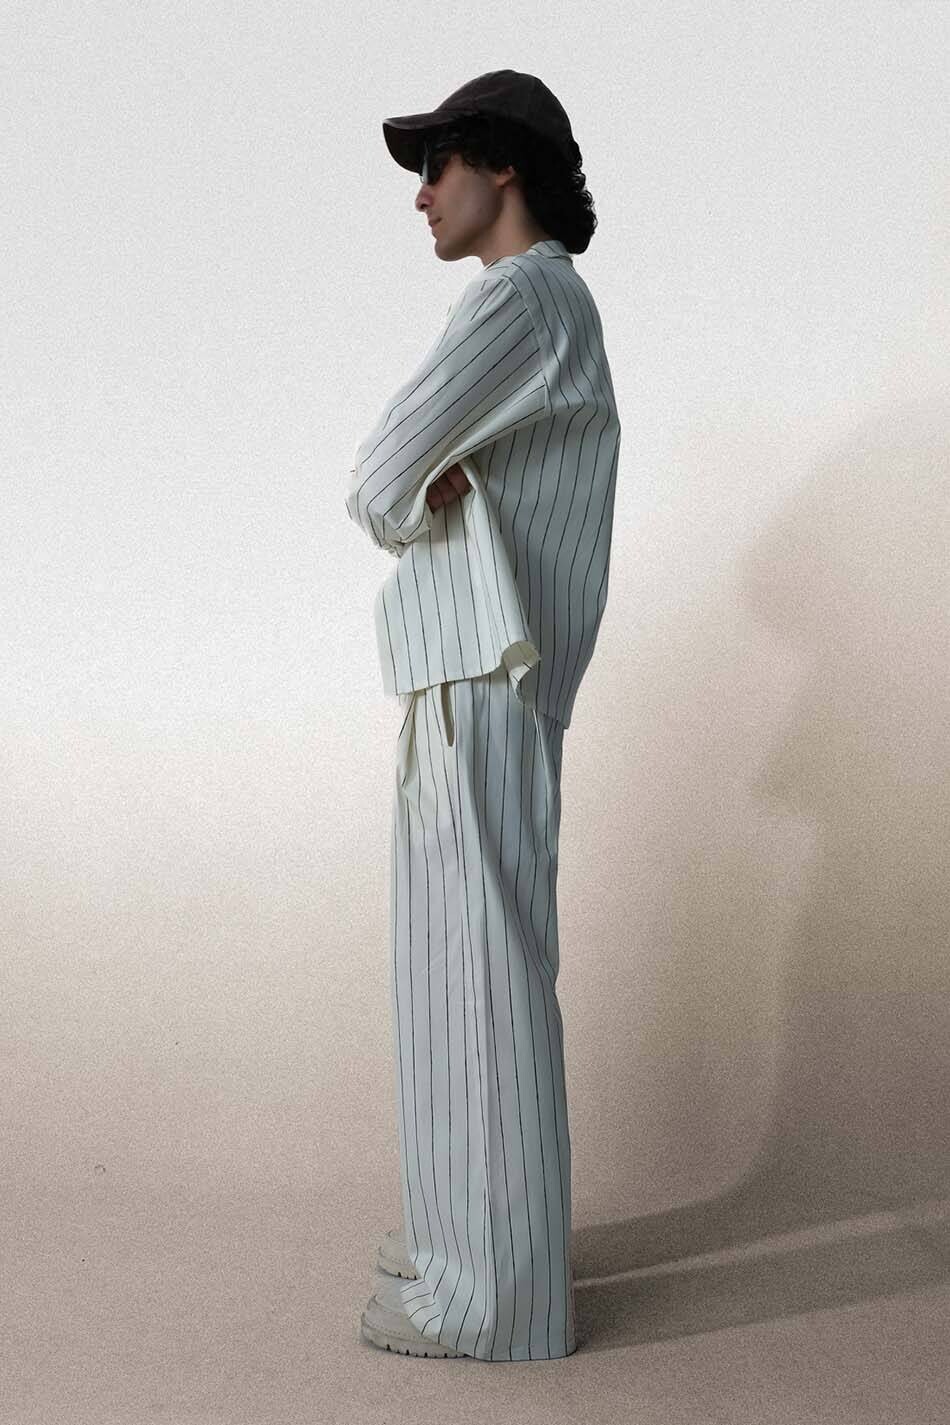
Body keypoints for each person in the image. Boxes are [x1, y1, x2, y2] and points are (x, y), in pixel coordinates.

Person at [346, 70, 621, 1361]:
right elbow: (414, 472)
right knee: (464, 969)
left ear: (501, 165)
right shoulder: (551, 303)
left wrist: (414, 492)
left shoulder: (518, 298)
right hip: (479, 667)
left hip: (481, 668)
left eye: (436, 165)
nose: (420, 194)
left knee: (480, 976)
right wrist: (431, 483)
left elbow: (376, 473)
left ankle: (497, 1297)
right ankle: (471, 1242)